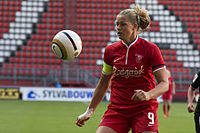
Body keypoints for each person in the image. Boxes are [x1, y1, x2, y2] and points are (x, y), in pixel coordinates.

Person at [76, 4, 169, 133]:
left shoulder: (151, 49)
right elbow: (103, 83)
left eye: (123, 24)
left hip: (144, 108)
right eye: (117, 24)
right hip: (117, 109)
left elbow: (164, 83)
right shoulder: (110, 51)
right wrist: (90, 110)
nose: (118, 28)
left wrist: (148, 95)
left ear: (135, 27)